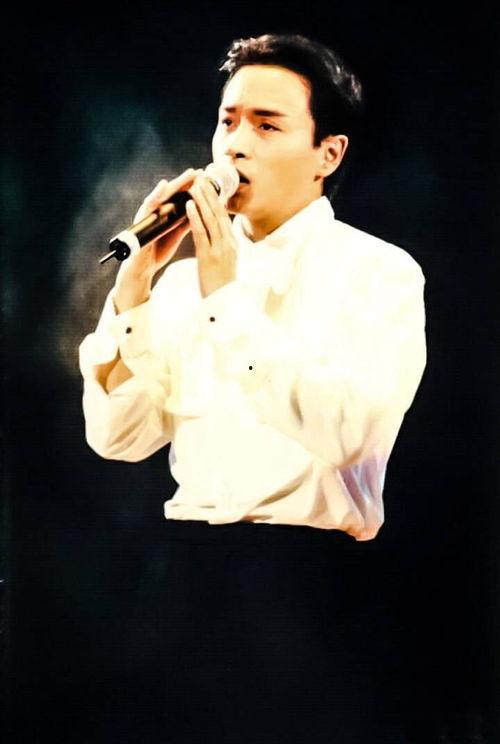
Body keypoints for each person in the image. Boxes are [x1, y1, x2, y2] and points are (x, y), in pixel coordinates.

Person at [79, 33, 427, 742]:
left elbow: (349, 432)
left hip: (310, 589)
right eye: (228, 121)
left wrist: (227, 301)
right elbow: (118, 438)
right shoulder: (181, 285)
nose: (235, 145)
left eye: (267, 126)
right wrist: (134, 292)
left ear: (328, 153)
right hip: (181, 582)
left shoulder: (379, 273)